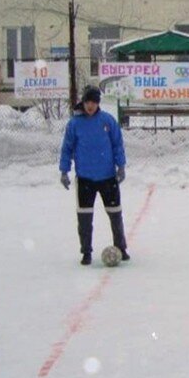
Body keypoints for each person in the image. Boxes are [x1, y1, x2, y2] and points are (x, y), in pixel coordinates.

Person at [59, 85, 129, 265]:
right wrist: (64, 171)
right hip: (85, 179)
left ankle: (121, 248)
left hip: (107, 178)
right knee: (84, 218)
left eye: (94, 102)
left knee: (115, 215)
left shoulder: (108, 121)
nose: (90, 106)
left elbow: (117, 144)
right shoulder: (74, 124)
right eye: (87, 102)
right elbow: (67, 148)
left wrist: (121, 166)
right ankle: (86, 252)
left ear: (98, 103)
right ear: (83, 102)